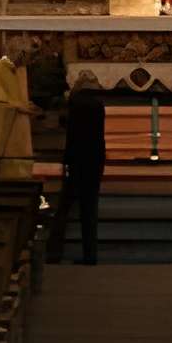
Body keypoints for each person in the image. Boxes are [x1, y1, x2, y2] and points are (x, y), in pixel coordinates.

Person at [51, 78, 109, 264]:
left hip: (77, 160)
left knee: (64, 208)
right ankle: (90, 255)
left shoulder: (75, 104)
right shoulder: (99, 105)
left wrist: (66, 160)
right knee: (89, 210)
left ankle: (54, 253)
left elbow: (71, 135)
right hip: (95, 160)